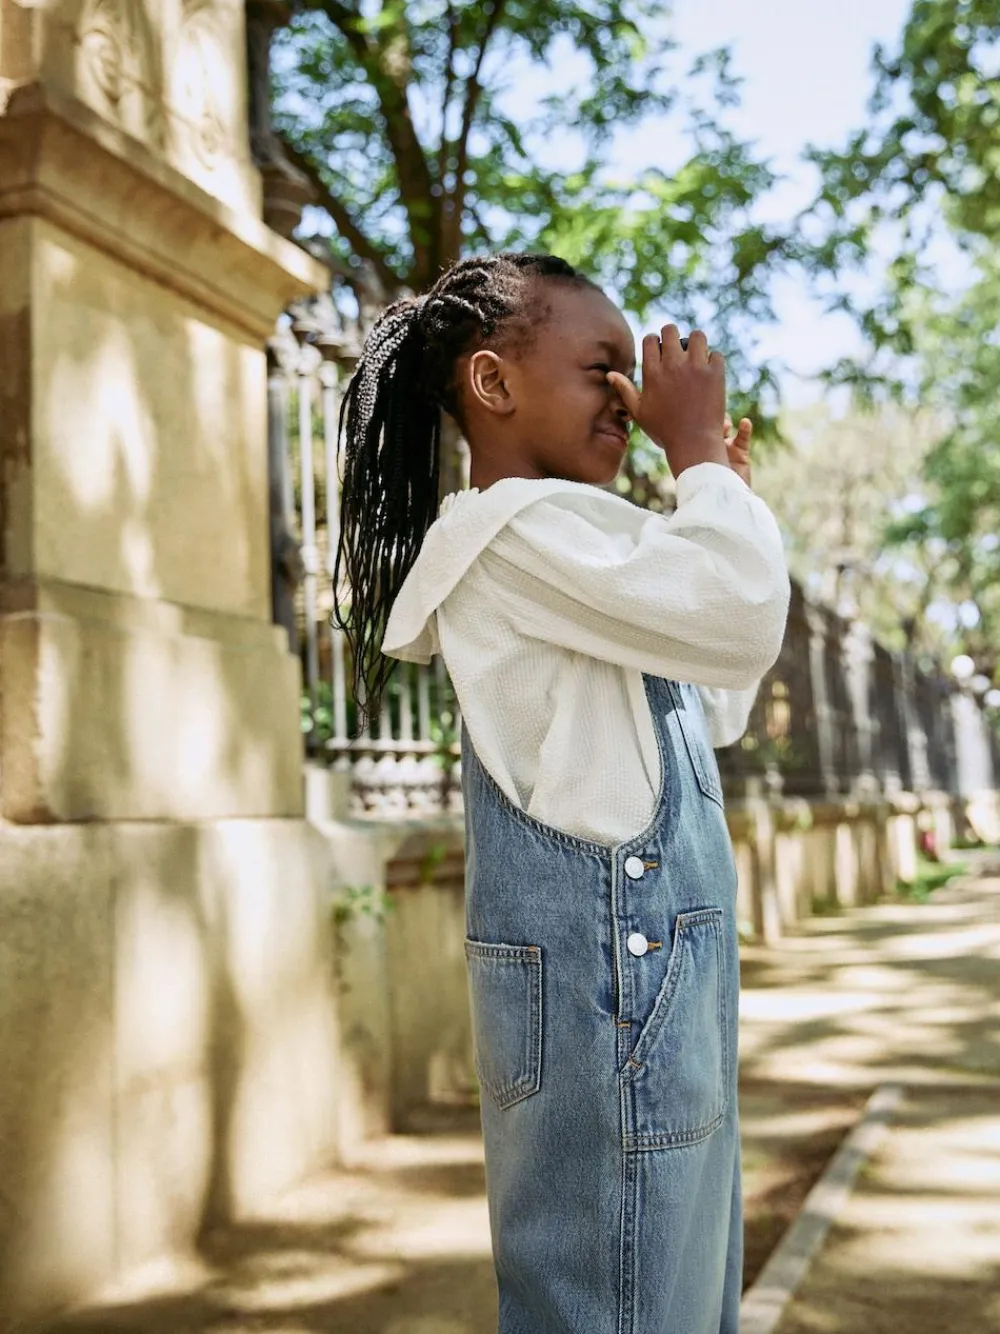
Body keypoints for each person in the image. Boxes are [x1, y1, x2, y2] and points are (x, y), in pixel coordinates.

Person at [333, 252, 790, 1334]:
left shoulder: (577, 542)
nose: (630, 399)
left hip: (654, 998)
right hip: (611, 999)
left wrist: (720, 491)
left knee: (666, 1288)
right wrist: (696, 466)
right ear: (493, 384)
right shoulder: (507, 536)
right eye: (602, 368)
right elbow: (736, 616)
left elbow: (717, 688)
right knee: (610, 1290)